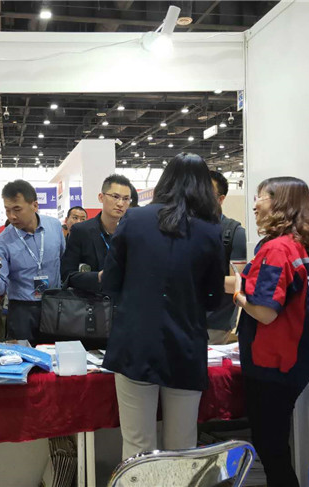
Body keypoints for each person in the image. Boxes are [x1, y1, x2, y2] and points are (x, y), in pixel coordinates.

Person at [101, 153, 224, 460]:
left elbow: (110, 282)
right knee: (182, 447)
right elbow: (214, 296)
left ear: (164, 181)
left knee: (137, 445)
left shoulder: (134, 219)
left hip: (135, 342)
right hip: (186, 344)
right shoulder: (210, 230)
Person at [234, 177, 309, 487]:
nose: (255, 205)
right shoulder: (301, 246)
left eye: (260, 197)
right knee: (275, 445)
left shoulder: (276, 250)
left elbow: (265, 312)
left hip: (272, 364)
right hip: (295, 360)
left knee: (271, 448)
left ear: (280, 203)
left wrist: (239, 296)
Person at [0, 180, 65, 343]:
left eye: (17, 209)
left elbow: (62, 257)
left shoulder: (54, 227)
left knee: (54, 354)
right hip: (22, 310)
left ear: (34, 205)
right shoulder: (2, 241)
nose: (12, 216)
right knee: (22, 355)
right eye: (7, 210)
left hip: (55, 305)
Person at [61, 174, 132, 293]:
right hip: (91, 300)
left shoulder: (131, 232)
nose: (120, 203)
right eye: (115, 197)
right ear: (101, 197)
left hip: (123, 300)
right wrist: (98, 277)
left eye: (125, 199)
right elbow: (67, 274)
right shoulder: (81, 231)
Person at [207, 171, 247, 344]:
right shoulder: (182, 229)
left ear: (220, 199)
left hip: (215, 324)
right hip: (180, 319)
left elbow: (239, 283)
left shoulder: (234, 233)